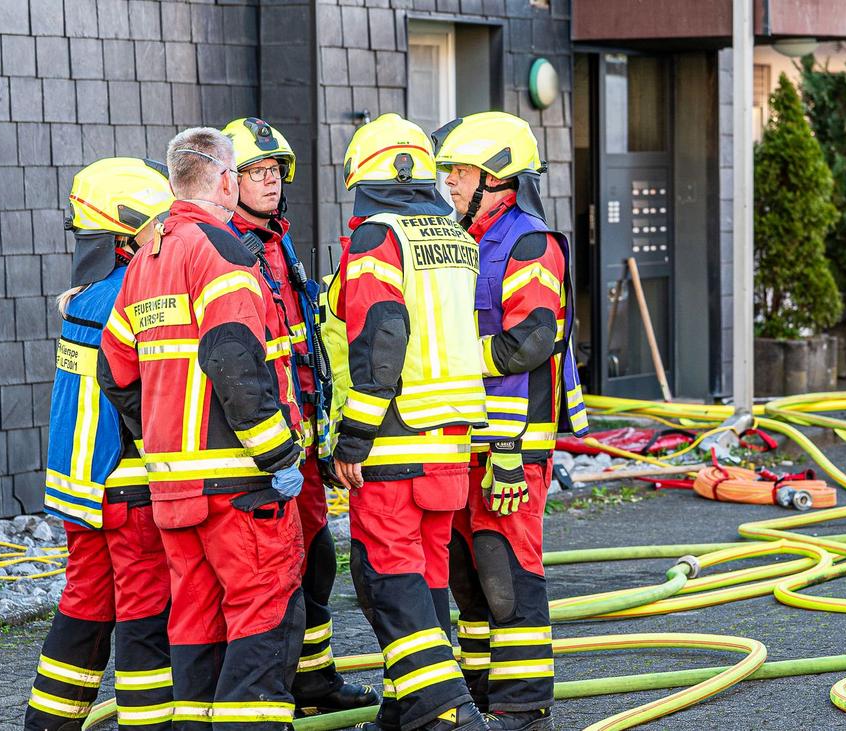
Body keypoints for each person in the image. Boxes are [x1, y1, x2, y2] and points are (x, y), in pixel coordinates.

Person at [98, 127, 307, 729]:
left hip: (173, 488)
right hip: (239, 484)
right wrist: (279, 455)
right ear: (222, 181)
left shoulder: (147, 259)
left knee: (194, 618)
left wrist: (160, 434)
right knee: (265, 611)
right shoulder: (222, 250)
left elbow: (115, 366)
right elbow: (233, 356)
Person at [331, 113, 490, 731]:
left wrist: (354, 433)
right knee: (426, 580)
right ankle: (404, 714)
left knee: (388, 579)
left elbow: (381, 336)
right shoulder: (453, 236)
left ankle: (445, 714)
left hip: (396, 437)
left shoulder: (377, 238)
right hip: (451, 438)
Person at [433, 111, 589, 731]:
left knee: (506, 570)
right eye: (449, 173)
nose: (451, 185)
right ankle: (478, 692)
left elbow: (530, 341)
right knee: (465, 578)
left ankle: (524, 706)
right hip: (461, 439)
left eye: (462, 173)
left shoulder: (529, 243)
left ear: (498, 180)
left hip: (512, 445)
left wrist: (446, 359)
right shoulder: (457, 239)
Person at [220, 117, 379, 716]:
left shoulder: (277, 242)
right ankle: (272, 692)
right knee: (276, 580)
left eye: (273, 172)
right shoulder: (230, 249)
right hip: (262, 453)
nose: (267, 182)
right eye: (253, 172)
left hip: (303, 445)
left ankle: (312, 682)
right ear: (226, 180)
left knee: (313, 566)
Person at [25, 158, 175, 731]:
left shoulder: (85, 296)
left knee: (85, 607)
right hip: (126, 486)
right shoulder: (135, 293)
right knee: (145, 614)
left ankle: (48, 724)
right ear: (130, 232)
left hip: (78, 489)